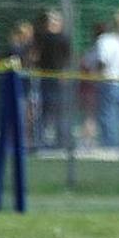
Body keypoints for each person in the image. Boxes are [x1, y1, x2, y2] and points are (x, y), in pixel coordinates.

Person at [33, 10, 71, 149]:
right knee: (45, 110)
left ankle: (61, 140)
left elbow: (67, 58)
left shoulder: (61, 39)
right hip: (47, 78)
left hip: (57, 79)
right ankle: (42, 140)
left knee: (59, 110)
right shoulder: (44, 38)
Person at [91, 20, 119, 154]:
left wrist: (95, 77)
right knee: (115, 113)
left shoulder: (103, 40)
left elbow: (102, 61)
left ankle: (110, 145)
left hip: (107, 80)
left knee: (106, 113)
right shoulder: (117, 40)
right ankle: (114, 143)